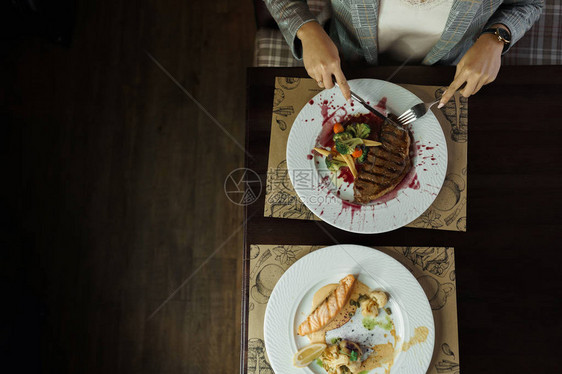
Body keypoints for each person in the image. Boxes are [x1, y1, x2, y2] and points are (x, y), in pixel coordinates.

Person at [264, 0, 543, 107]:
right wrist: (306, 28)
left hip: (452, 75)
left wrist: (496, 37)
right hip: (348, 61)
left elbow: (528, 3)